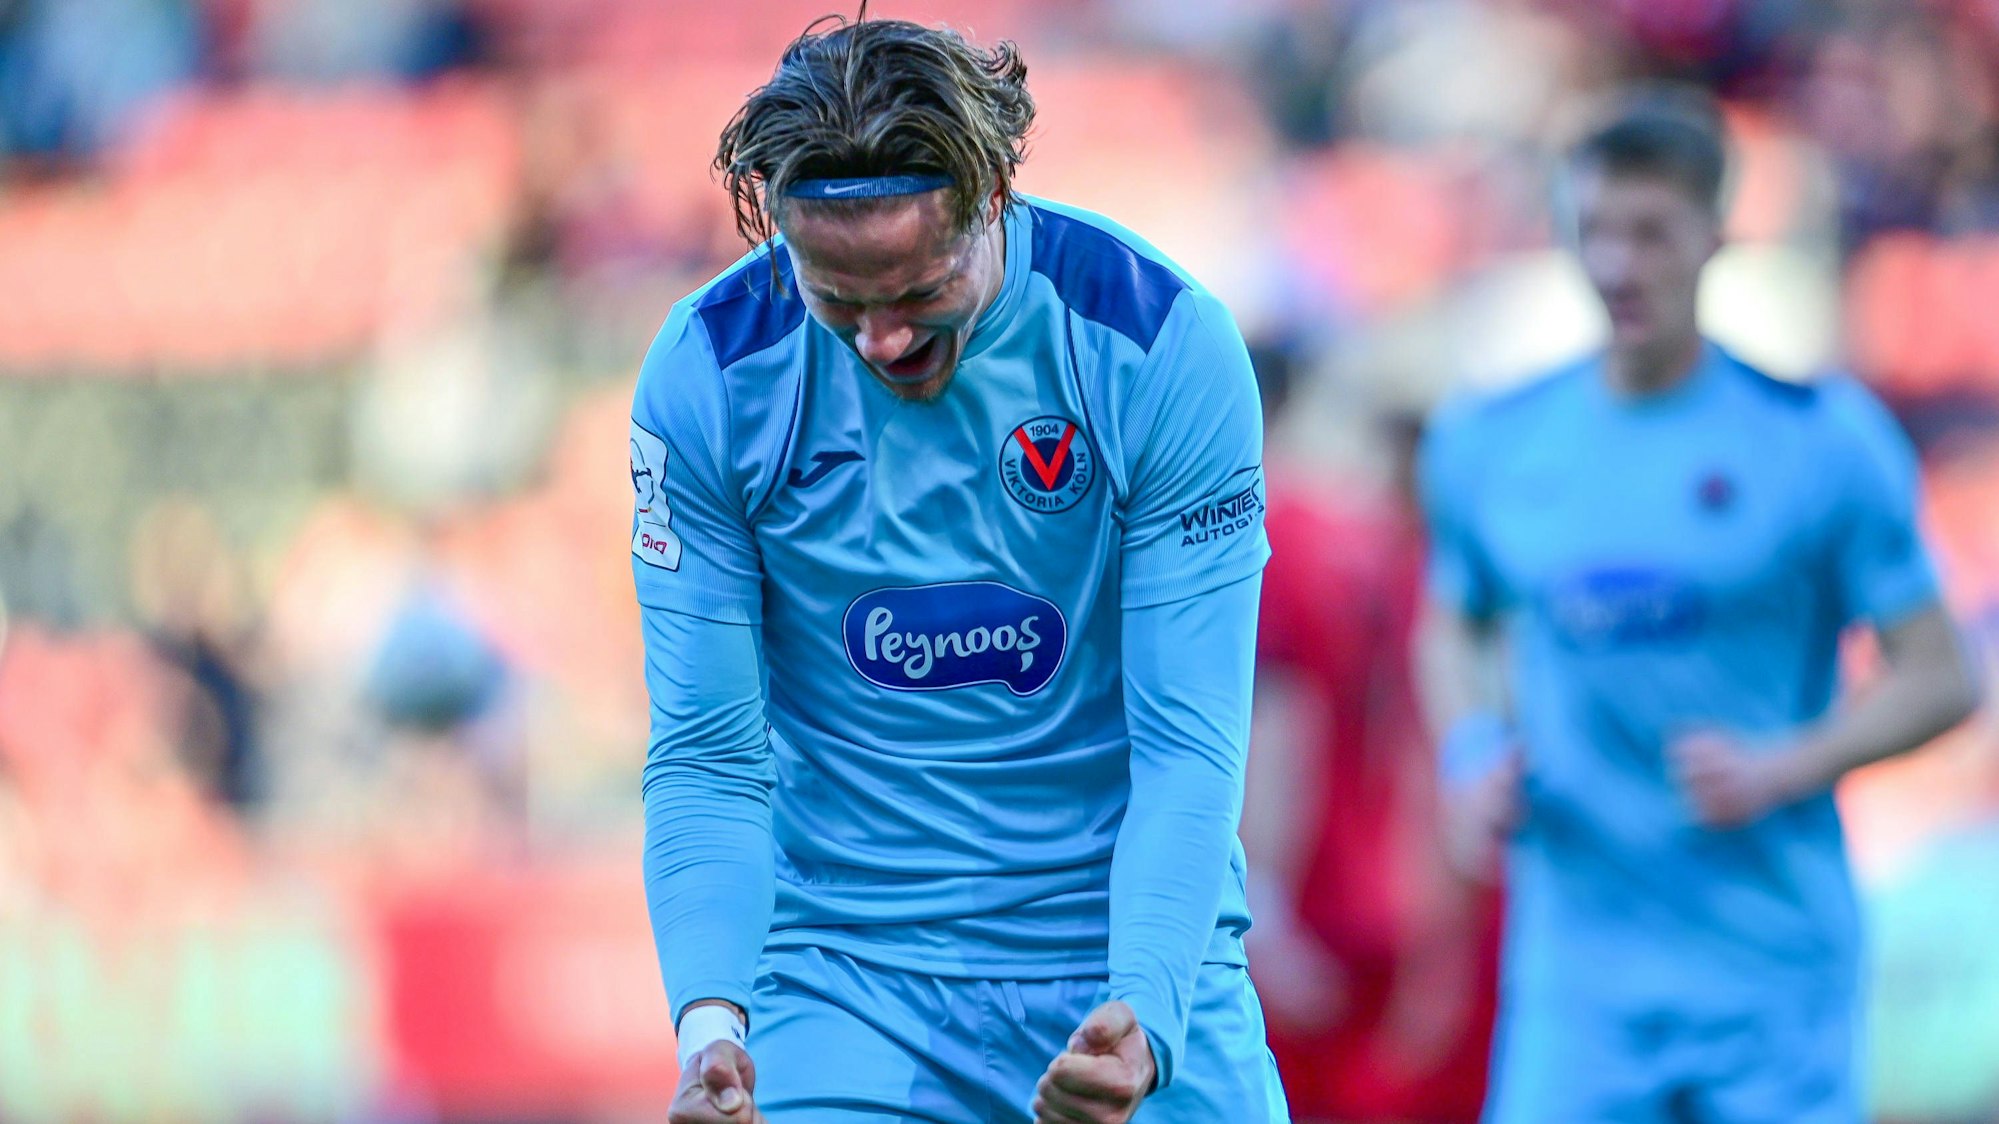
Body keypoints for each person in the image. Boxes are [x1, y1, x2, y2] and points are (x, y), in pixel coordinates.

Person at [628, 14, 1288, 1124]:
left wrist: (1149, 1004)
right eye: (836, 296)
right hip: (849, 988)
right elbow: (706, 754)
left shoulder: (1159, 343)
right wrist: (710, 1027)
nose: (879, 339)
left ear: (991, 198)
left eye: (914, 289)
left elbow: (1191, 740)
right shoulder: (708, 372)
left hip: (1121, 957)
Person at [1416, 91, 1983, 1123]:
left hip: (1766, 965)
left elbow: (1943, 676)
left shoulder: (1819, 443)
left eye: (1652, 232)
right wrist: (1469, 749)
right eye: (1596, 232)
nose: (1621, 266)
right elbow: (1453, 616)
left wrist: (1787, 762)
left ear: (1716, 236)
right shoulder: (1492, 442)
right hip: (1580, 972)